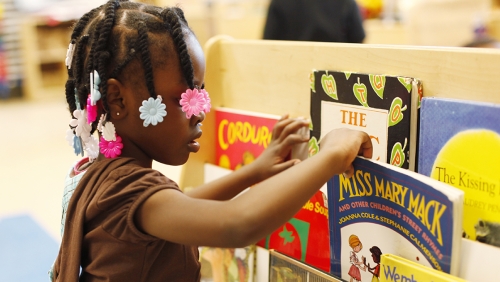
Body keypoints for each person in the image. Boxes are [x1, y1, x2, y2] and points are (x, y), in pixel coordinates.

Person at [51, 1, 373, 281]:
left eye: (201, 91)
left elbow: (183, 204)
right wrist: (331, 155)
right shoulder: (126, 189)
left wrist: (254, 172)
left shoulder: (99, 171)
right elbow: (237, 225)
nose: (201, 110)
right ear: (117, 99)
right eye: (184, 97)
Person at [263, 0, 366, 43]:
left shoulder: (278, 2)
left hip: (289, 74)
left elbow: (267, 42)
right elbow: (358, 38)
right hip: (335, 79)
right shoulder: (345, 1)